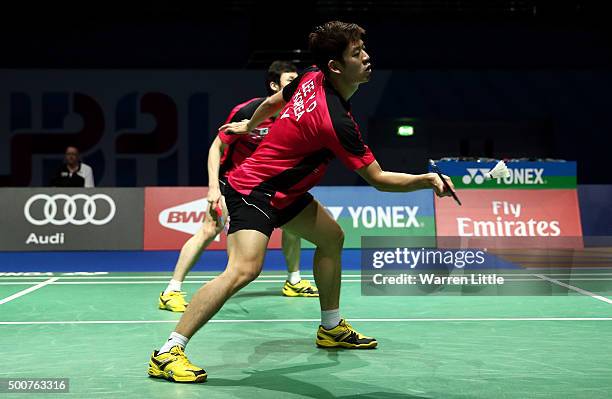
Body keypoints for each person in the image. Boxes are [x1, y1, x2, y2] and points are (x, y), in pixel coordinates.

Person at [148, 21, 455, 383]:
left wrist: (249, 126)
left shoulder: (312, 77)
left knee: (332, 238)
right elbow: (379, 179)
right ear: (336, 67)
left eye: (364, 49)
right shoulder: (336, 122)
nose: (367, 58)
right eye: (357, 54)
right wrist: (426, 180)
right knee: (244, 269)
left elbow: (273, 101)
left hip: (284, 193)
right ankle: (169, 351)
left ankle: (330, 326)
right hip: (253, 189)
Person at [158, 61, 318, 313]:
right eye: (290, 81)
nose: (296, 86)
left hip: (264, 184)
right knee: (210, 229)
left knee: (292, 225)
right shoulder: (249, 110)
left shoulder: (294, 116)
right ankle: (171, 291)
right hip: (230, 179)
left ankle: (294, 280)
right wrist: (214, 188)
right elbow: (216, 147)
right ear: (275, 85)